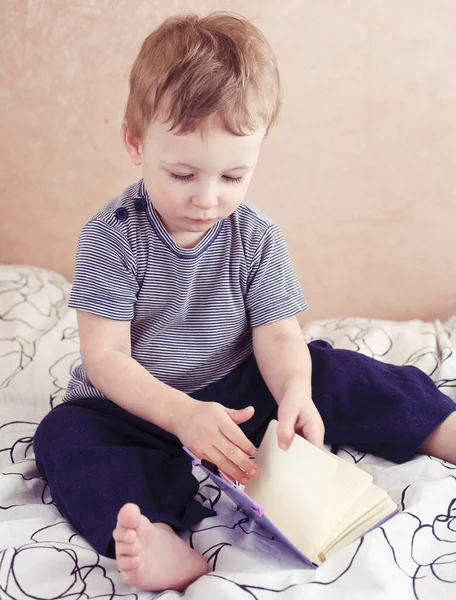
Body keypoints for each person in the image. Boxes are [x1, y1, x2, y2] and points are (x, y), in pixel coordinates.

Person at [33, 11, 456, 592]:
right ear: (135, 142)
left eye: (233, 177)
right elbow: (106, 360)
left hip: (236, 392)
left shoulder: (254, 236)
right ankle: (157, 533)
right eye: (182, 174)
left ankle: (438, 426)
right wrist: (181, 416)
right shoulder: (111, 235)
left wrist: (294, 392)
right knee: (62, 436)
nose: (208, 199)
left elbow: (279, 336)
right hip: (137, 406)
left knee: (331, 366)